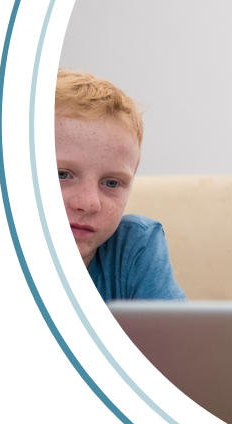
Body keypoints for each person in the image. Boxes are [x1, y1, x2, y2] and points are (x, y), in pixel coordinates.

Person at [54, 69, 186, 302]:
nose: (88, 203)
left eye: (112, 183)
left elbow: (180, 338)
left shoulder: (134, 247)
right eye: (62, 174)